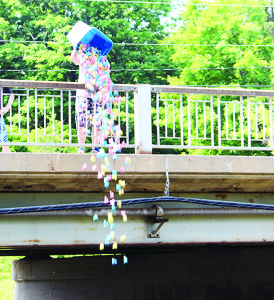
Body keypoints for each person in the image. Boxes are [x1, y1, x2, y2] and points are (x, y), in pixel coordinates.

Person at [71, 49, 101, 154]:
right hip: (82, 95)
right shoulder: (83, 57)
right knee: (81, 121)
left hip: (97, 95)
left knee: (97, 123)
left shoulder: (101, 59)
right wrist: (76, 47)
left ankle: (95, 147)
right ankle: (81, 147)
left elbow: (107, 69)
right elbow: (73, 58)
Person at [0, 87, 14, 153]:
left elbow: (11, 95)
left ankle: (8, 161)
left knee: (4, 143)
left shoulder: (2, 84)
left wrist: (6, 108)